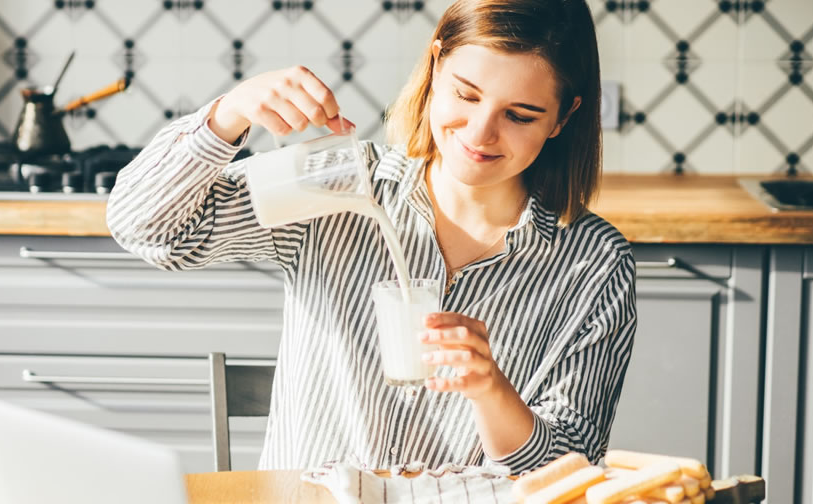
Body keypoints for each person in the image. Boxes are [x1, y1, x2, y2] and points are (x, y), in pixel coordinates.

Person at [105, 0, 636, 473]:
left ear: (564, 117)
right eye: (465, 95)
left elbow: (572, 467)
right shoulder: (336, 185)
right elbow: (147, 227)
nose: (479, 133)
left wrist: (492, 393)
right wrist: (229, 113)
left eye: (519, 115)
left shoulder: (592, 265)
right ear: (434, 67)